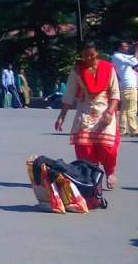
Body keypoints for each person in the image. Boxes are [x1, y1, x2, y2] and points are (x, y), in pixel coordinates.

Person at [55, 41, 121, 190]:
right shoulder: (77, 70)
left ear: (97, 52)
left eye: (91, 55)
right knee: (85, 149)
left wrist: (110, 112)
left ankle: (110, 172)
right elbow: (69, 94)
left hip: (105, 112)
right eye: (85, 55)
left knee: (107, 148)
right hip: (85, 113)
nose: (89, 58)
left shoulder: (108, 68)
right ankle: (91, 177)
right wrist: (61, 116)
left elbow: (115, 93)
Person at [110, 41, 136, 136]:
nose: (127, 47)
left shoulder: (121, 56)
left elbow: (132, 58)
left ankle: (122, 129)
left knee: (125, 109)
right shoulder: (117, 56)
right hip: (129, 85)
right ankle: (134, 130)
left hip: (127, 85)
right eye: (125, 46)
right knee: (132, 108)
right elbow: (135, 62)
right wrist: (137, 49)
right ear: (119, 48)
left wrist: (135, 48)